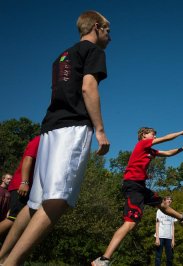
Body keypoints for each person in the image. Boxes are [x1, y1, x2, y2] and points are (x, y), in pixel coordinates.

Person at [0, 10, 111, 265]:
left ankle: (3, 257)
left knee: (36, 202)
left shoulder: (62, 56)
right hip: (72, 128)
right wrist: (100, 130)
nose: (109, 36)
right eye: (107, 30)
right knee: (59, 199)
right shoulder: (94, 52)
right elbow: (88, 87)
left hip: (50, 129)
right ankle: (11, 263)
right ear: (96, 26)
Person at [92, 128, 183, 266]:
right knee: (130, 223)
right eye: (152, 134)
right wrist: (181, 133)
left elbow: (168, 153)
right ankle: (103, 260)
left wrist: (182, 148)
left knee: (163, 204)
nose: (155, 135)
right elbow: (166, 138)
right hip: (133, 186)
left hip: (141, 187)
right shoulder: (142, 144)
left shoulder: (150, 151)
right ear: (143, 135)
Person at [0, 136, 40, 240]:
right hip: (21, 185)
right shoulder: (40, 139)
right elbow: (28, 158)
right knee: (13, 219)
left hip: (31, 188)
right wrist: (24, 182)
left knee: (20, 222)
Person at [155, 196, 177, 266]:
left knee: (169, 257)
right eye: (168, 199)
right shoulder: (159, 210)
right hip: (160, 236)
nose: (169, 200)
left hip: (169, 237)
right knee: (158, 257)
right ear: (164, 201)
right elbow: (157, 224)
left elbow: (173, 226)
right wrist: (157, 238)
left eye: (171, 199)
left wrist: (173, 239)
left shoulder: (173, 211)